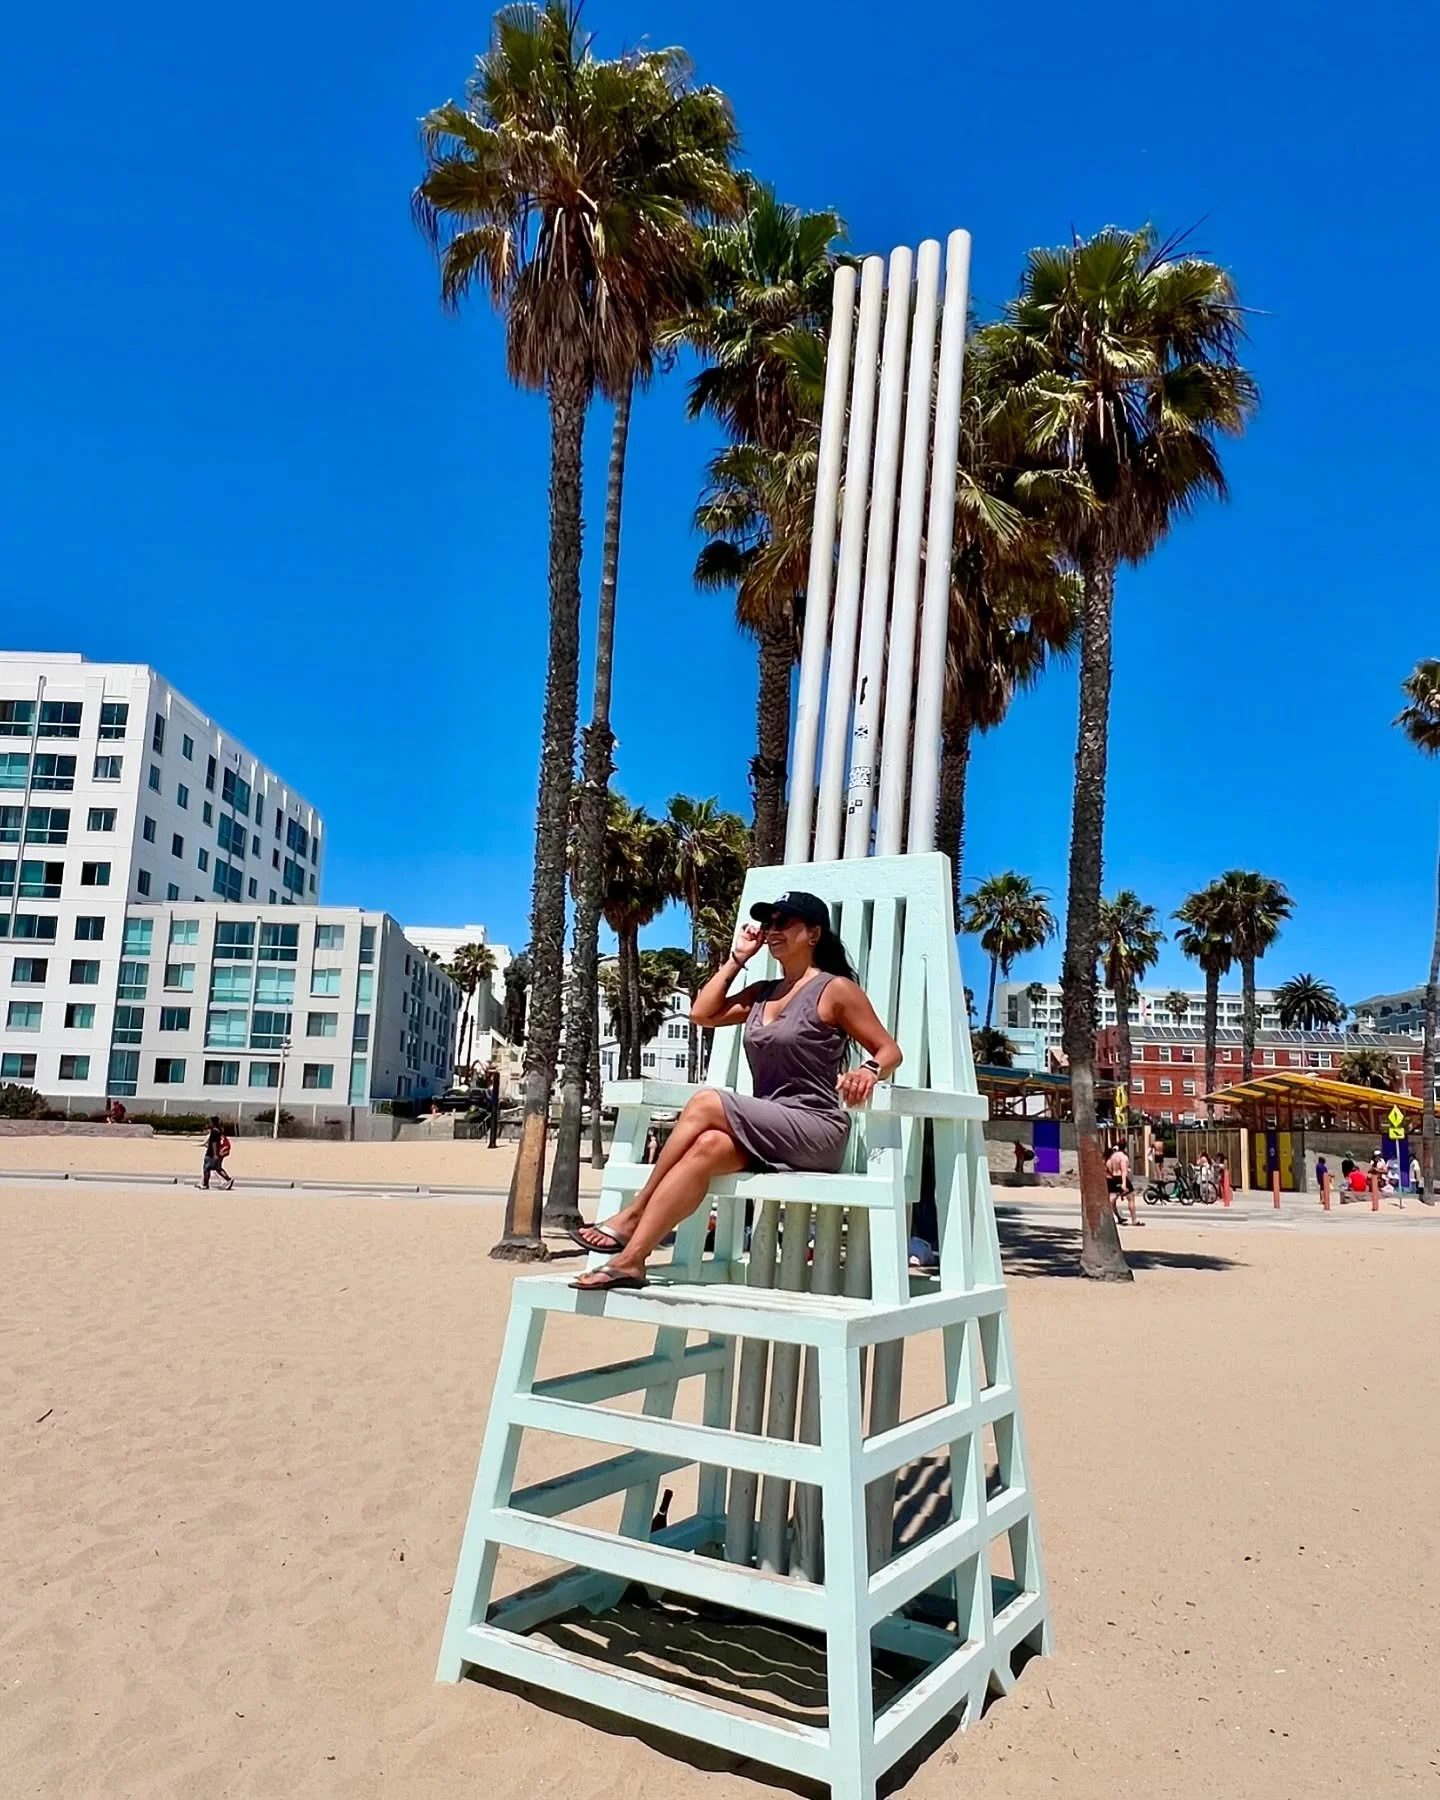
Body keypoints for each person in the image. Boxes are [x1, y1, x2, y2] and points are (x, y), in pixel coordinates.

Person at [569, 889, 902, 1290]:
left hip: (815, 1129)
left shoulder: (834, 990)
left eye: (784, 922)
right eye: (769, 922)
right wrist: (737, 958)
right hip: (767, 1128)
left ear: (813, 934)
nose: (772, 930)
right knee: (708, 1146)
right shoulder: (763, 993)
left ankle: (635, 1211)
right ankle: (632, 1260)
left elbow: (889, 1050)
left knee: (706, 1101)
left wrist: (869, 1069)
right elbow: (701, 1014)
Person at [1105, 1140, 1140, 1227]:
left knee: (1112, 1198)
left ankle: (1107, 1216)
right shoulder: (1123, 1157)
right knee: (1131, 1198)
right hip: (1121, 1177)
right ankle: (1134, 1219)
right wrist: (1124, 1183)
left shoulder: (1112, 1156)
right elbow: (1124, 1171)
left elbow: (1109, 1166)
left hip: (1114, 1177)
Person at [201, 1116, 234, 1191]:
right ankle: (228, 1179)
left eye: (210, 1122)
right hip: (215, 1152)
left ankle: (205, 1184)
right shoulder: (218, 1131)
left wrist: (215, 1154)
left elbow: (214, 1143)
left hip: (211, 1153)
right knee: (217, 1168)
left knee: (207, 1168)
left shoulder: (214, 1132)